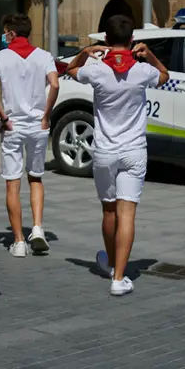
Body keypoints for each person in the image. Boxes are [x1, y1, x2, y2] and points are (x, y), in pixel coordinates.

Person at [65, 15, 168, 296]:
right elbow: (164, 76)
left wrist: (85, 53)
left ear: (107, 41)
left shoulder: (96, 70)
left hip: (104, 151)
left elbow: (70, 70)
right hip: (134, 150)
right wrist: (151, 56)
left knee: (109, 209)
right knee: (128, 212)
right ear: (132, 40)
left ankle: (111, 264)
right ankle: (119, 277)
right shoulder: (142, 70)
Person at [0, 13, 59, 258]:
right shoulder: (44, 56)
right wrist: (46, 114)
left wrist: (4, 117)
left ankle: (18, 241)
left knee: (12, 184)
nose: (4, 36)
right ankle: (37, 227)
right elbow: (55, 84)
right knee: (36, 178)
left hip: (13, 126)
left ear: (12, 33)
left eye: (6, 32)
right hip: (38, 126)